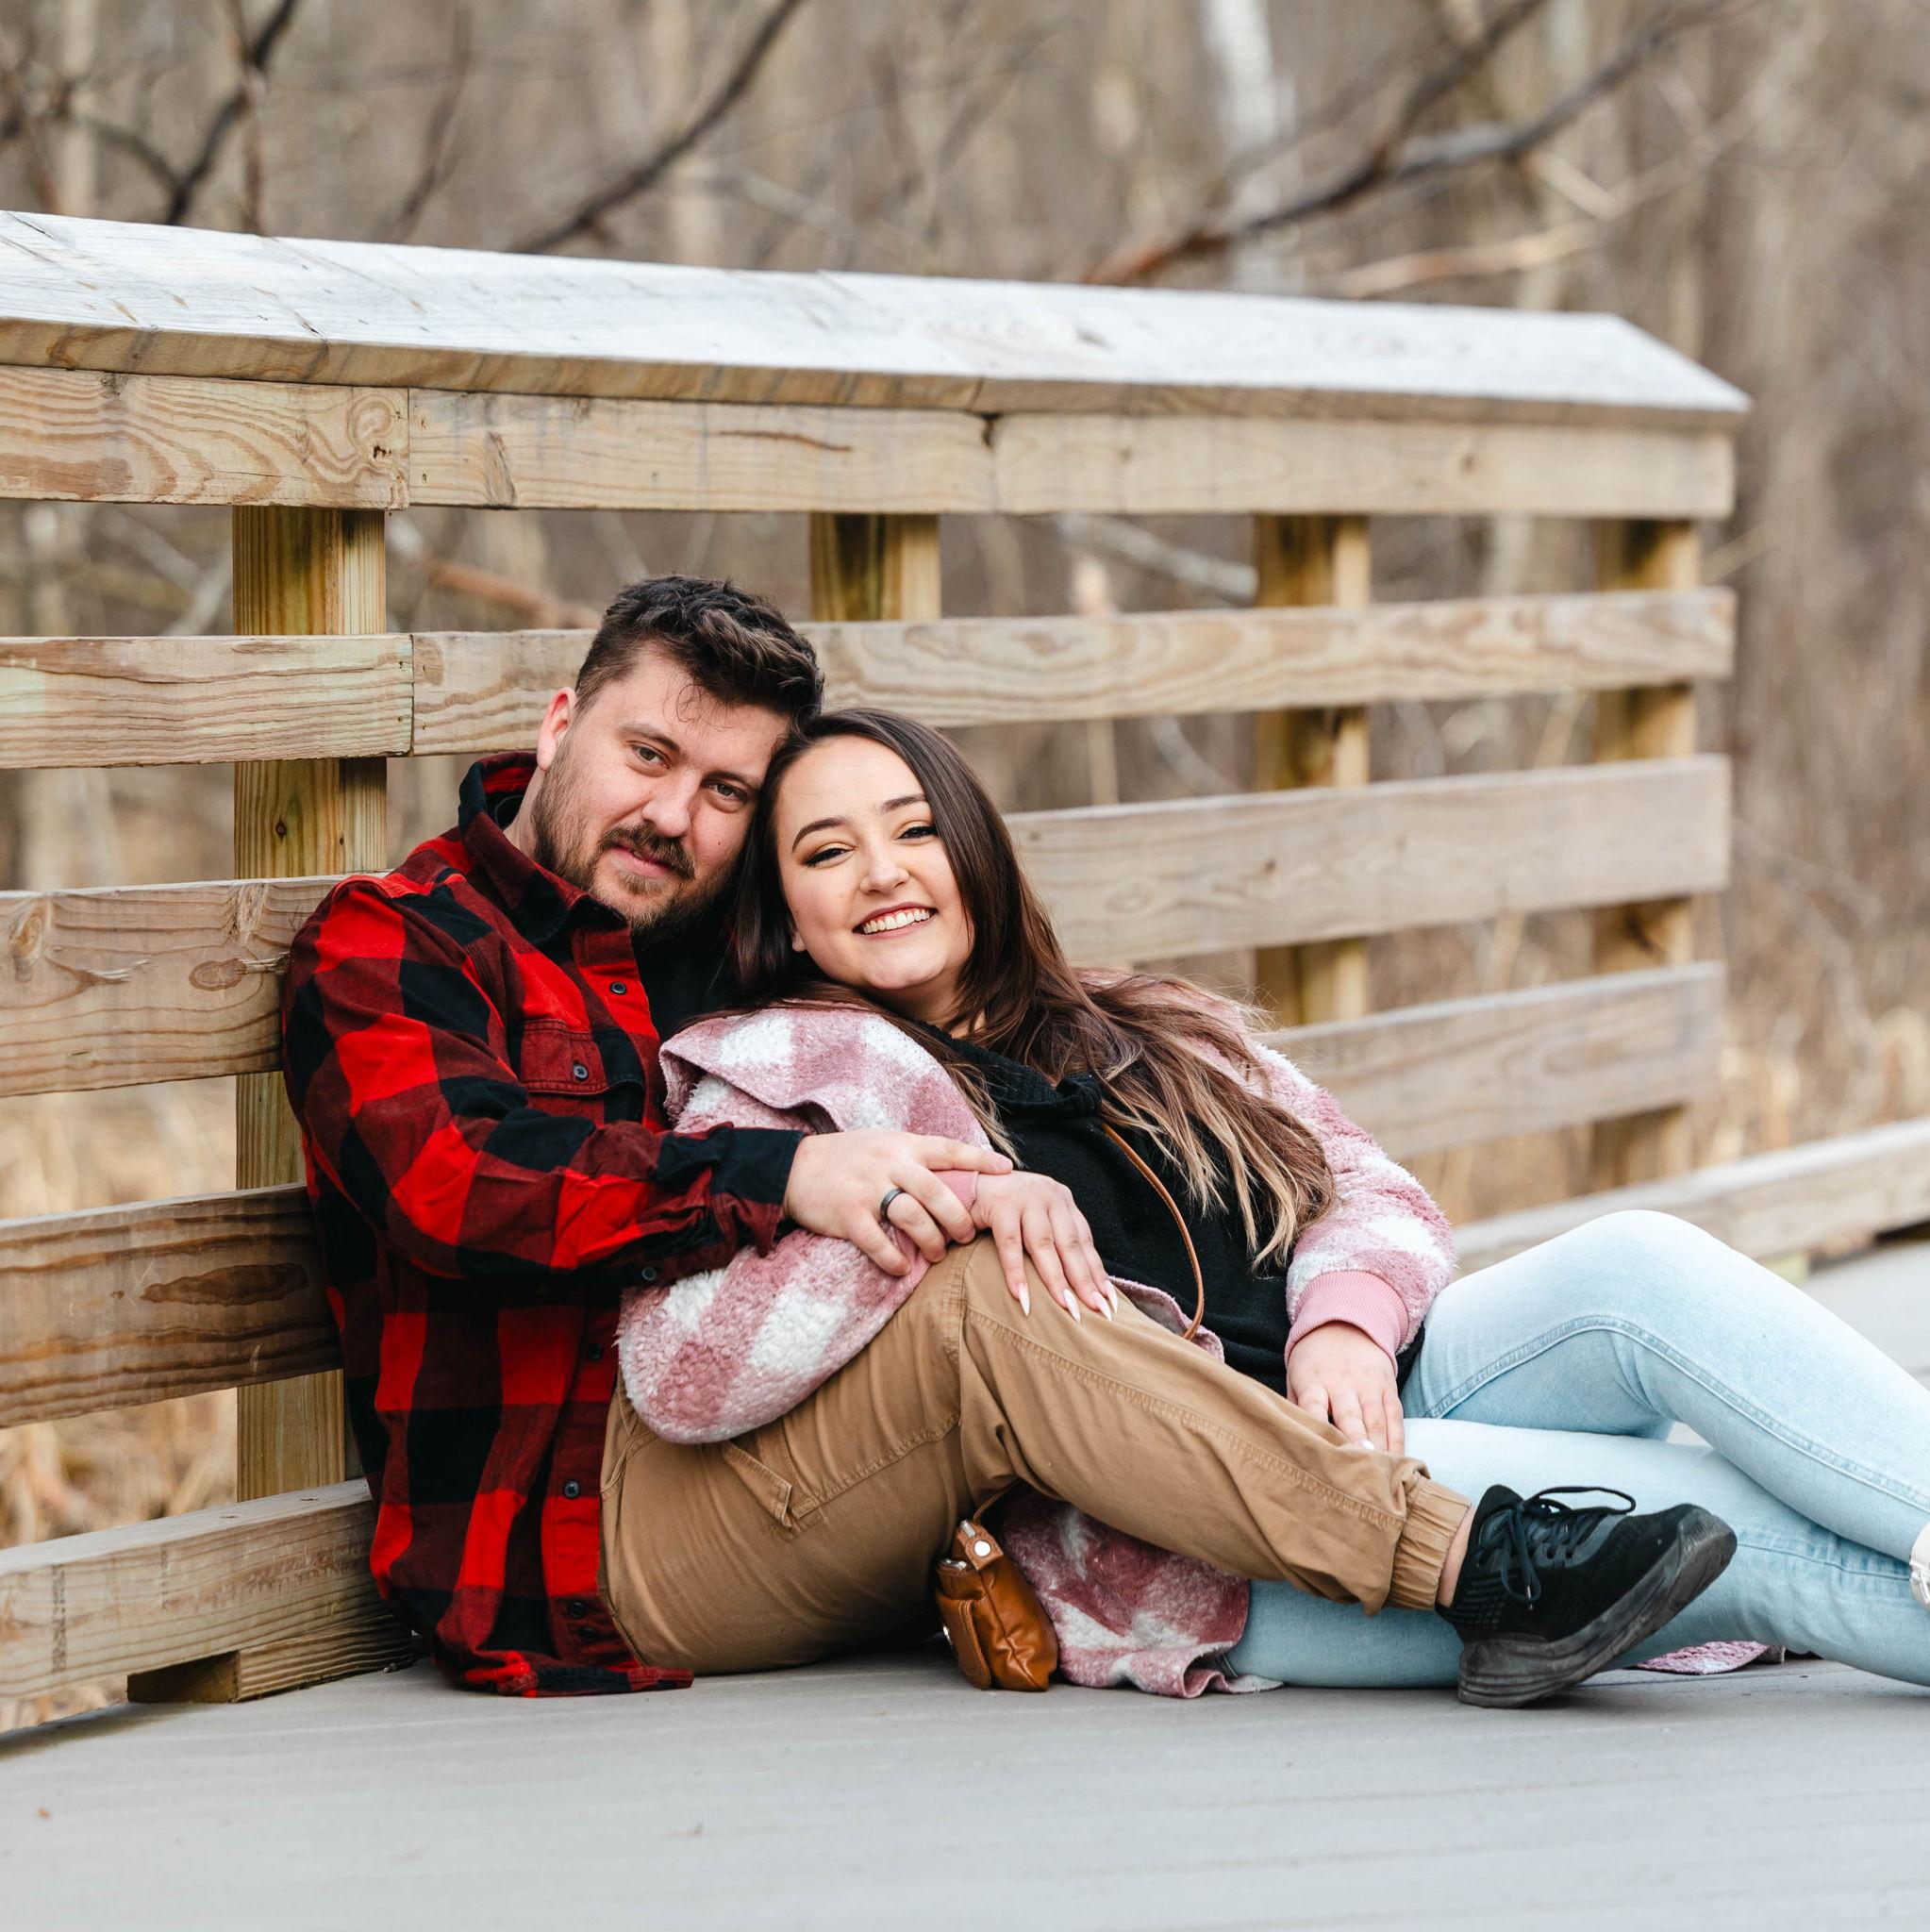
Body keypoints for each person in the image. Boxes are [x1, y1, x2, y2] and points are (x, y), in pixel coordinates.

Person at [281, 573, 1730, 1710]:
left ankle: (1505, 1552)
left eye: (726, 794)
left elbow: (912, 968)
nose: (673, 816)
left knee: (1014, 1279)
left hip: (845, 1477)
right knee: (987, 1303)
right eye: (646, 755)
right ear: (558, 725)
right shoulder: (398, 944)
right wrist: (791, 1174)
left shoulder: (729, 944)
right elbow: (458, 1187)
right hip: (579, 1552)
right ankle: (1477, 1563)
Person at [615, 706, 1930, 1697]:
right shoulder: (784, 1083)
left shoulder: (1140, 1023)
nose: (883, 872)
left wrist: (1343, 1323)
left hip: (1376, 1385)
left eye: (913, 830)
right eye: (827, 852)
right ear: (785, 914)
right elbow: (688, 1369)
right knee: (1728, 1521)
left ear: (975, 848)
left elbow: (1368, 1184)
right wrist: (936, 1211)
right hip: (1221, 1519)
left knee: (1637, 1261)